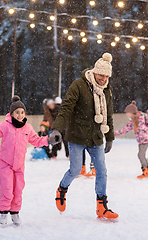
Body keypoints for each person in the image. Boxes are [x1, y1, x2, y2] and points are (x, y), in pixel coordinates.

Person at [0, 96, 60, 227]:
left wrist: (49, 140)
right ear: (12, 113)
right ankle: (3, 212)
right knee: (7, 188)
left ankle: (14, 212)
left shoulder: (27, 128)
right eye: (17, 112)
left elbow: (36, 140)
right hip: (5, 162)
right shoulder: (4, 125)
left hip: (19, 164)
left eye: (22, 112)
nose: (20, 115)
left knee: (18, 189)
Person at [51, 53, 118, 219]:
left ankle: (102, 207)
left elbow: (108, 114)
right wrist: (57, 129)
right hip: (77, 135)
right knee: (75, 170)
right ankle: (62, 189)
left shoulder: (107, 90)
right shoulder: (79, 85)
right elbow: (66, 108)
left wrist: (109, 137)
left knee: (102, 171)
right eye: (101, 75)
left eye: (106, 76)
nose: (103, 79)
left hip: (96, 137)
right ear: (94, 72)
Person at [114, 101, 148, 179]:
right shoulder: (132, 121)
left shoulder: (142, 116)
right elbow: (125, 130)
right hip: (141, 140)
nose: (126, 114)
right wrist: (114, 133)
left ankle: (145, 171)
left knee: (140, 155)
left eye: (127, 112)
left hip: (145, 139)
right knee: (141, 155)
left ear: (131, 112)